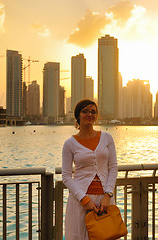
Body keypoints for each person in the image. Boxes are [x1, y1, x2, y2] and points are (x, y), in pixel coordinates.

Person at [62, 99, 118, 239]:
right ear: (77, 115)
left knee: (107, 235)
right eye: (85, 111)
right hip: (81, 202)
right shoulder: (69, 144)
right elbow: (66, 176)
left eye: (93, 112)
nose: (89, 114)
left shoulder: (107, 138)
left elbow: (113, 168)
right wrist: (84, 200)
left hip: (104, 201)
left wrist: (108, 195)